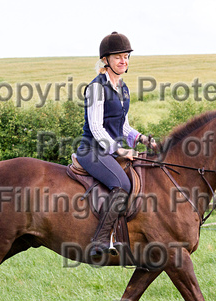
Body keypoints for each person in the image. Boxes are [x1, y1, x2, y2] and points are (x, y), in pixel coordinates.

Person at [76, 31, 156, 259]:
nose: (124, 61)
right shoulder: (96, 88)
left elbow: (123, 127)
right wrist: (121, 150)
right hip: (91, 150)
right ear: (105, 60)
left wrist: (142, 139)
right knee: (121, 183)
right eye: (118, 56)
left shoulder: (123, 89)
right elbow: (97, 129)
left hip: (109, 150)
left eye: (126, 56)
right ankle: (101, 240)